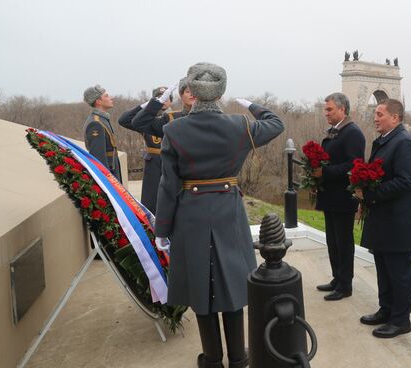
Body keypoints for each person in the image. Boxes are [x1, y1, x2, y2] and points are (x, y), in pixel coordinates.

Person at [154, 62, 284, 368]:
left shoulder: (173, 130)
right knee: (233, 285)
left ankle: (212, 358)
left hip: (191, 215)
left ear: (192, 90)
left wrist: (162, 227)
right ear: (221, 91)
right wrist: (251, 105)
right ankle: (238, 358)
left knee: (201, 288)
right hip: (229, 212)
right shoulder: (239, 127)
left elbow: (168, 185)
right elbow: (275, 123)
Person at [355, 99, 411, 338]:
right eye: (375, 113)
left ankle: (400, 320)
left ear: (395, 118)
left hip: (399, 223)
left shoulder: (404, 143)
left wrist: (370, 194)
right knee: (384, 269)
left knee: (400, 273)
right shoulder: (386, 141)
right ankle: (386, 310)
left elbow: (406, 181)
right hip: (385, 220)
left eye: (380, 114)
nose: (375, 118)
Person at [313, 92, 365, 301]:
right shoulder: (336, 131)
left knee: (343, 242)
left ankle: (346, 285)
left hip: (343, 197)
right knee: (333, 241)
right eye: (326, 109)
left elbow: (354, 165)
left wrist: (324, 172)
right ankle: (337, 279)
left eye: (329, 109)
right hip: (330, 196)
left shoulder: (352, 133)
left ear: (342, 110)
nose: (326, 113)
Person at [118, 85, 176, 213]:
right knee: (151, 200)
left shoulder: (176, 117)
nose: (164, 100)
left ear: (171, 100)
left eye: (166, 97)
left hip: (172, 160)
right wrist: (144, 106)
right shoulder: (145, 119)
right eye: (160, 97)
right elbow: (124, 120)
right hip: (153, 162)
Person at [82, 85, 122, 182]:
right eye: (106, 96)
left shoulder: (102, 119)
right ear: (98, 101)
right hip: (108, 177)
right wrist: (107, 182)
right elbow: (98, 157)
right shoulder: (96, 123)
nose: (111, 98)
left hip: (112, 171)